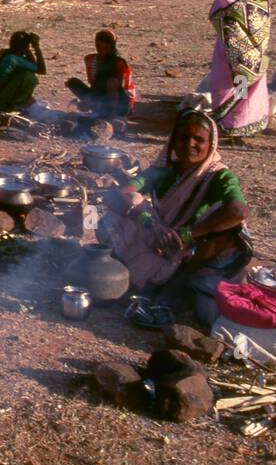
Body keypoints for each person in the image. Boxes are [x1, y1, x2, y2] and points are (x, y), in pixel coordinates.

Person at [102, 111, 251, 323]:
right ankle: (143, 276)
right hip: (157, 237)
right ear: (173, 142)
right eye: (183, 138)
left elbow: (238, 211)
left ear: (211, 144)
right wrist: (148, 222)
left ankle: (175, 286)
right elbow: (117, 194)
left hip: (191, 249)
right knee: (124, 206)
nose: (189, 144)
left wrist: (188, 234)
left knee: (232, 232)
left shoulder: (219, 176)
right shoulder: (164, 171)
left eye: (198, 139)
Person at [201, 0, 272, 138]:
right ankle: (249, 122)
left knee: (229, 83)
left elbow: (218, 14)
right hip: (256, 47)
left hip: (232, 48)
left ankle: (232, 123)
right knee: (248, 85)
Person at [66, 29, 136, 119]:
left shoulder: (119, 63)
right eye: (98, 45)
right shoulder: (90, 59)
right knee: (72, 83)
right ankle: (97, 108)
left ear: (112, 46)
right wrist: (88, 100)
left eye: (105, 46)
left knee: (112, 81)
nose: (101, 49)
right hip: (99, 98)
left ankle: (111, 115)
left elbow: (119, 88)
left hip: (119, 104)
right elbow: (93, 84)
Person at [0, 31, 46, 113]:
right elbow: (41, 70)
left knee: (27, 74)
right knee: (30, 78)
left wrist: (27, 49)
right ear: (25, 47)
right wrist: (36, 47)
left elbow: (34, 66)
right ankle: (15, 107)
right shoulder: (12, 60)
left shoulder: (7, 54)